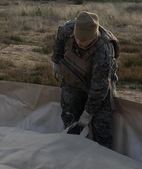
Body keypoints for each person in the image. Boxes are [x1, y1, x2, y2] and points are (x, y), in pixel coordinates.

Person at [50, 11, 119, 147]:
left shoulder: (104, 50)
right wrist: (56, 61)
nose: (80, 42)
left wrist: (88, 112)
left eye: (85, 40)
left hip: (98, 84)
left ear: (94, 36)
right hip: (73, 77)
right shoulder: (68, 29)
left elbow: (99, 87)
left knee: (101, 125)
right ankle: (72, 149)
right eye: (78, 38)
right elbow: (59, 41)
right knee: (70, 118)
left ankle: (102, 155)